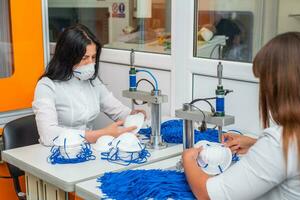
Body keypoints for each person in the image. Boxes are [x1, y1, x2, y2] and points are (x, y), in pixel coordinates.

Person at [182, 32, 300, 200]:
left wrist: (188, 159)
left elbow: (208, 194)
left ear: (278, 86)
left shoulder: (280, 143)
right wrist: (255, 144)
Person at [32, 24, 145, 146]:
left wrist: (134, 116)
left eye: (93, 57)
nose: (91, 63)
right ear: (68, 57)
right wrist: (103, 134)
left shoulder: (92, 81)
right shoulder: (46, 86)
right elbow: (48, 135)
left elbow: (117, 111)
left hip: (87, 150)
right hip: (57, 152)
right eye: (85, 58)